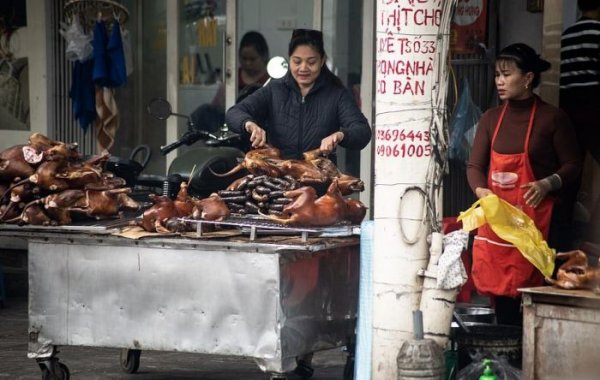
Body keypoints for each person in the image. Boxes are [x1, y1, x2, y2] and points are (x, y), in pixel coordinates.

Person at [467, 43, 582, 325]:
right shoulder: (490, 119)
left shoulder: (552, 118)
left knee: (537, 301)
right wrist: (483, 193)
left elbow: (573, 165)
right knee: (504, 306)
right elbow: (474, 167)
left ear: (528, 78)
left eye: (506, 74)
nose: (499, 81)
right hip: (500, 227)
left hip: (540, 227)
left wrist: (546, 183)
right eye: (496, 75)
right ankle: (507, 361)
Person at [225, 28, 371, 161]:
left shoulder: (336, 94)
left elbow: (362, 131)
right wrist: (248, 124)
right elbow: (234, 113)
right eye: (297, 61)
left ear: (322, 61)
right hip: (279, 180)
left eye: (311, 62)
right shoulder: (275, 89)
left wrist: (341, 135)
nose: (303, 68)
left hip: (320, 181)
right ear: (289, 60)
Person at [560, 0, 600, 248]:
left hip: (567, 108)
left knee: (570, 174)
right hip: (594, 107)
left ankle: (562, 240)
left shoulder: (566, 35)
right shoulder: (597, 33)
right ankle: (592, 237)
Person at [190, 31, 270, 136]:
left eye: (252, 59)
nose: (247, 63)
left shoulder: (269, 80)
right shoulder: (232, 78)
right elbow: (217, 106)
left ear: (263, 56)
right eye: (244, 58)